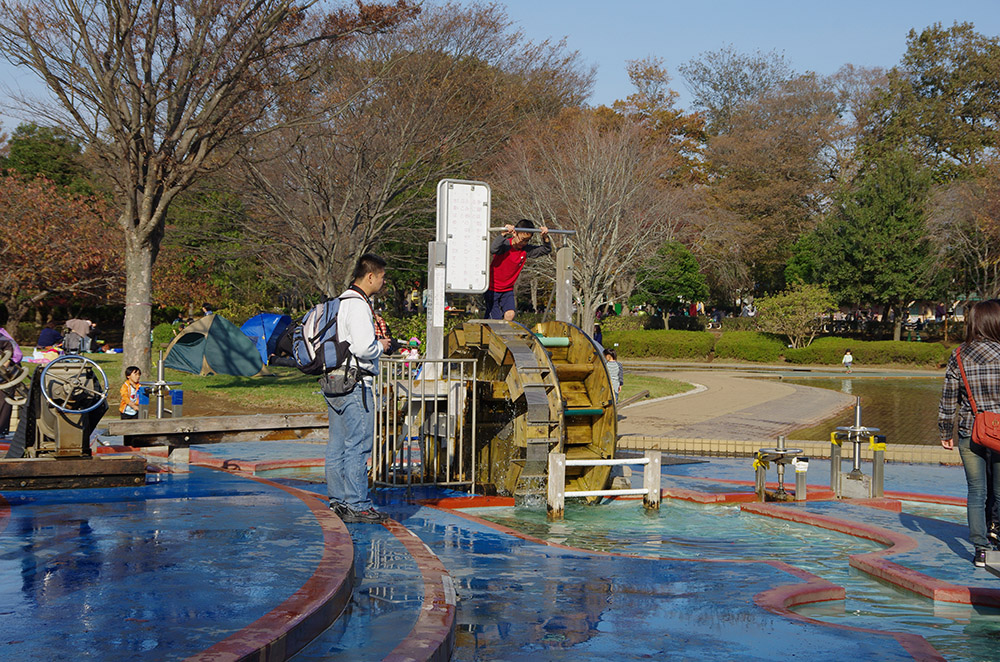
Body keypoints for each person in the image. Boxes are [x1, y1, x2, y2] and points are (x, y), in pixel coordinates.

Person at [324, 254, 392, 523]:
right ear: (370, 276)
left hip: (333, 380)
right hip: (356, 383)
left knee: (336, 445)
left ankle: (338, 501)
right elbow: (364, 347)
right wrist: (382, 346)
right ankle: (358, 504)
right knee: (358, 445)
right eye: (382, 277)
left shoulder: (338, 303)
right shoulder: (359, 305)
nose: (383, 282)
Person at [938, 300, 1000, 567]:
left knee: (976, 491)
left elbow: (948, 397)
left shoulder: (959, 355)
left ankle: (980, 550)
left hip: (969, 430)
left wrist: (944, 429)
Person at [485, 219, 551, 321]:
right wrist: (503, 234)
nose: (523, 243)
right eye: (522, 239)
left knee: (510, 314)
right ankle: (488, 333)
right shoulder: (505, 245)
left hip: (507, 290)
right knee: (494, 319)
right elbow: (493, 249)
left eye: (527, 240)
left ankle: (502, 335)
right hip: (492, 288)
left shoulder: (525, 250)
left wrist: (545, 237)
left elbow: (546, 250)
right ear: (515, 233)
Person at [0, 324, 23, 436]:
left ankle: (1, 430)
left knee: (4, 400)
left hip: (8, 374)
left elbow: (9, 350)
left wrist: (4, 365)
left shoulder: (2, 338)